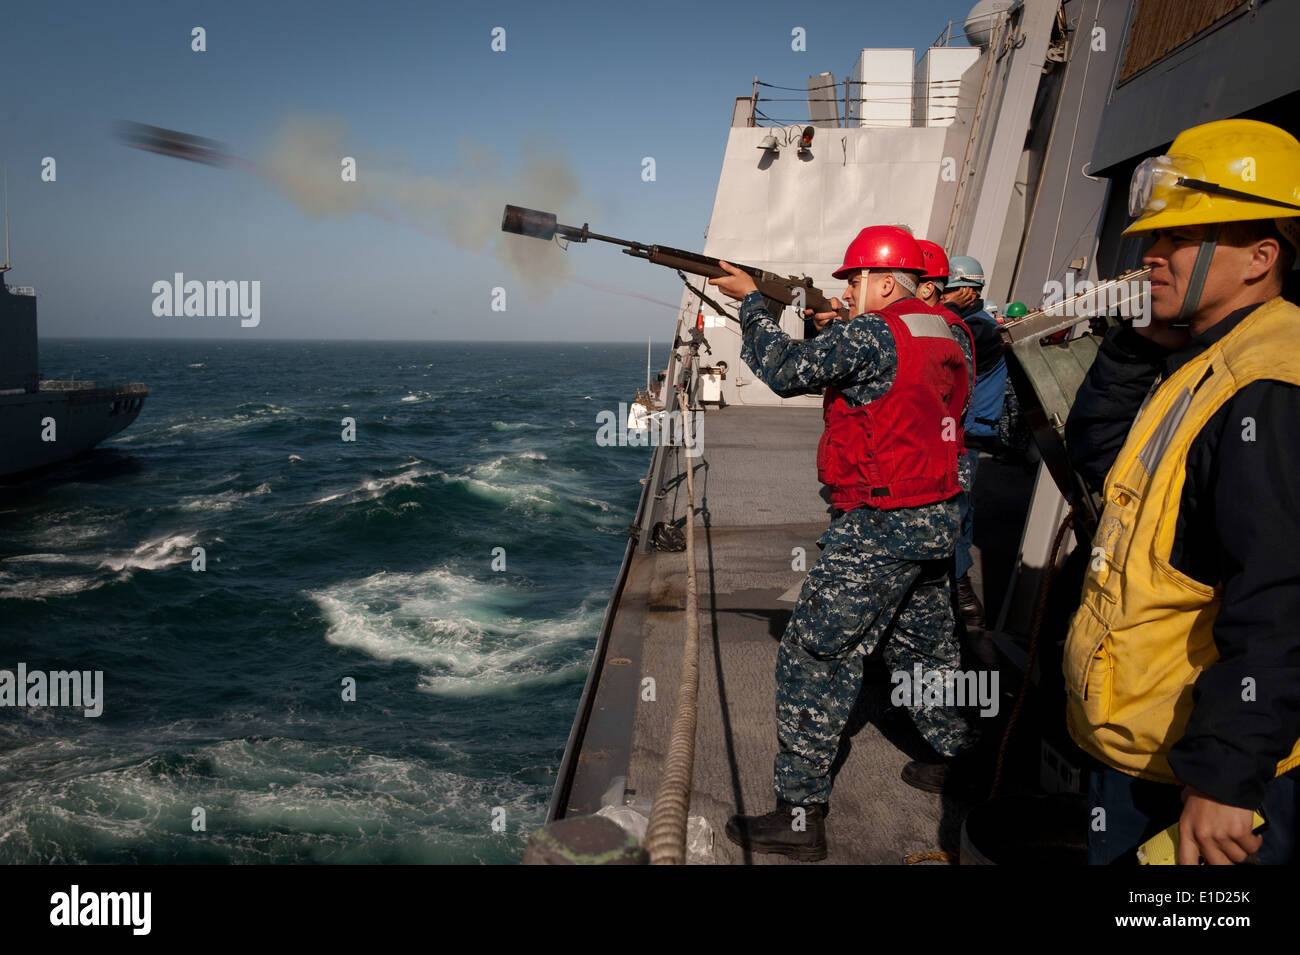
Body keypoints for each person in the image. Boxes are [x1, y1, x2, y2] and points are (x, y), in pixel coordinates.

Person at [1062, 118, 1300, 865]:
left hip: (1198, 769)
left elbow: (1283, 590)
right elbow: (1104, 469)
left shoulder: (1269, 383)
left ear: (1262, 256)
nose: (1150, 255)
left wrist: (1228, 775)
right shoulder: (1206, 357)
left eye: (1179, 240)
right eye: (1151, 239)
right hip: (1144, 739)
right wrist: (1137, 347)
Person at [706, 226, 976, 860]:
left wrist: (752, 303)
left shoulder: (872, 332)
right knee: (926, 644)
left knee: (815, 654)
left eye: (854, 281)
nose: (847, 292)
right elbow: (899, 380)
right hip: (935, 513)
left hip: (880, 521)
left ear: (885, 282)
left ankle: (800, 815)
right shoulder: (947, 328)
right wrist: (843, 326)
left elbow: (784, 371)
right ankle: (956, 758)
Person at [941, 255, 1008, 630]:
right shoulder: (970, 324)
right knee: (959, 513)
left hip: (964, 438)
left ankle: (964, 600)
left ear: (968, 290)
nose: (941, 297)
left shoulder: (977, 329)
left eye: (948, 290)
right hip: (961, 436)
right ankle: (960, 596)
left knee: (955, 514)